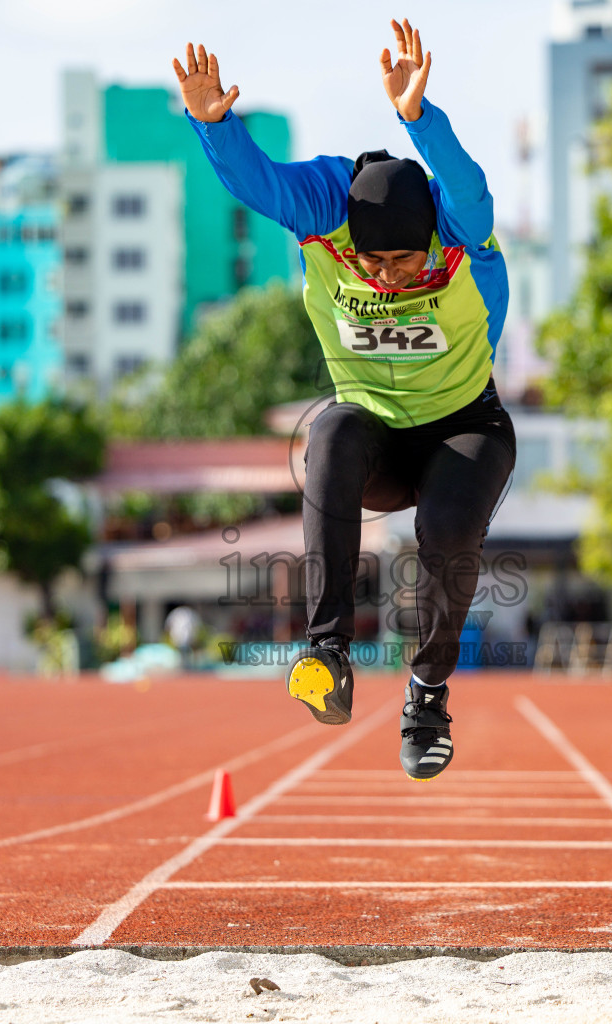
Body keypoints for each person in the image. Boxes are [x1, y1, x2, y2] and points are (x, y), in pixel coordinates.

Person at [174, 20, 514, 780]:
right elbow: (259, 183)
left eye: (405, 261)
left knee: (448, 530)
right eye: (374, 261)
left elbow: (470, 189)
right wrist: (213, 126)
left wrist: (418, 118)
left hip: (465, 426)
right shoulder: (324, 209)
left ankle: (427, 696)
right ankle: (327, 653)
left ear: (431, 241)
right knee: (328, 434)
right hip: (375, 434)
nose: (388, 276)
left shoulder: (461, 228)